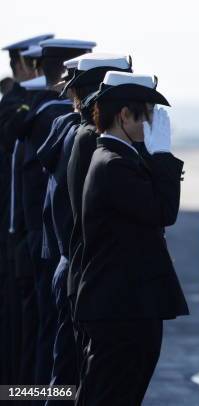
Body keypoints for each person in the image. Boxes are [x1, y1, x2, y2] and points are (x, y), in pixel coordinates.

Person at [74, 72, 188, 405]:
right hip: (122, 310)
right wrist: (163, 156)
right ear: (124, 115)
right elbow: (163, 211)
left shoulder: (116, 158)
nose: (151, 125)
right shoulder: (114, 164)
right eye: (147, 116)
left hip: (125, 306)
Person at [38, 53, 132, 401]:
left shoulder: (69, 128)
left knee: (64, 371)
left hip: (68, 266)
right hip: (86, 272)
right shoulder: (91, 139)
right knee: (74, 378)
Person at [19, 38, 95, 387]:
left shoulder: (52, 119)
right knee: (63, 361)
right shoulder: (66, 124)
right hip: (63, 257)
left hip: (46, 248)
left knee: (48, 349)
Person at [0, 33, 53, 386]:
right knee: (24, 332)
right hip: (18, 235)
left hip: (25, 235)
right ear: (23, 66)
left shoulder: (31, 105)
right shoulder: (21, 108)